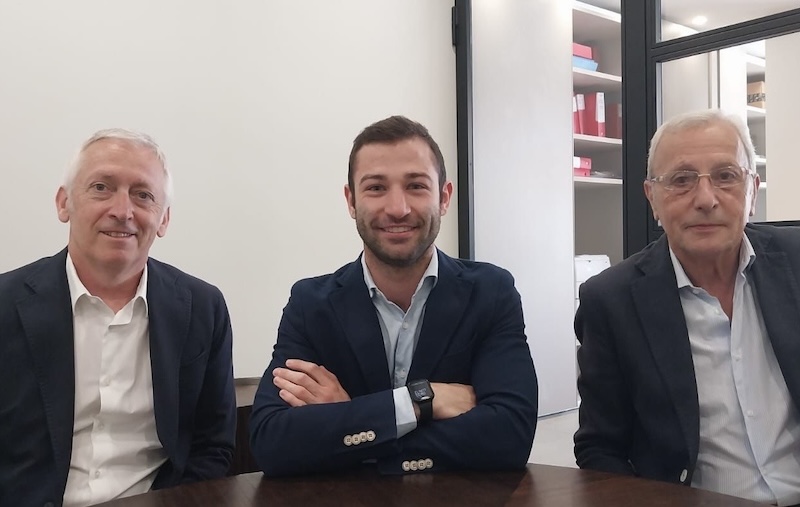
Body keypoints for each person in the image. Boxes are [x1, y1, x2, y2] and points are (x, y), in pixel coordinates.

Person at [250, 115, 538, 476]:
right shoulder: (310, 304)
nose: (398, 208)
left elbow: (509, 437)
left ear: (444, 197)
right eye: (376, 188)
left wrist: (352, 422)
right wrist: (419, 401)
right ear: (351, 201)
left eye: (416, 186)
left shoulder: (491, 293)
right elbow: (272, 443)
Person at [574, 109, 800, 505]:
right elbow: (600, 449)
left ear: (753, 190)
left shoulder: (795, 263)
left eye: (726, 176)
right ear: (652, 198)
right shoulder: (610, 301)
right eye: (681, 180)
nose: (706, 199)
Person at [0, 129, 236, 507]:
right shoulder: (6, 303)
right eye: (101, 188)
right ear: (64, 203)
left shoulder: (202, 309)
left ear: (163, 219)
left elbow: (212, 445)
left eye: (143, 195)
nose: (123, 211)